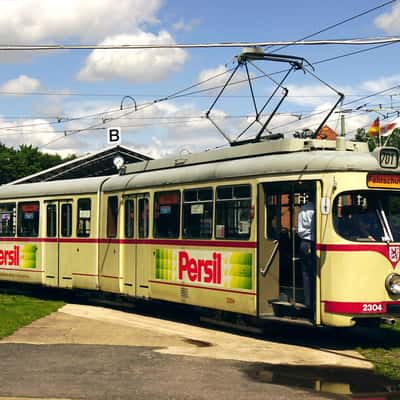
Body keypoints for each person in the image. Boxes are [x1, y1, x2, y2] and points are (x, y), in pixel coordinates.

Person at [297, 193, 315, 309]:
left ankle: (307, 300)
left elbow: (299, 228)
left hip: (303, 242)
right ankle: (313, 300)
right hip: (312, 243)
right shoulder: (315, 210)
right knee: (313, 272)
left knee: (305, 273)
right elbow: (315, 227)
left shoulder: (302, 209)